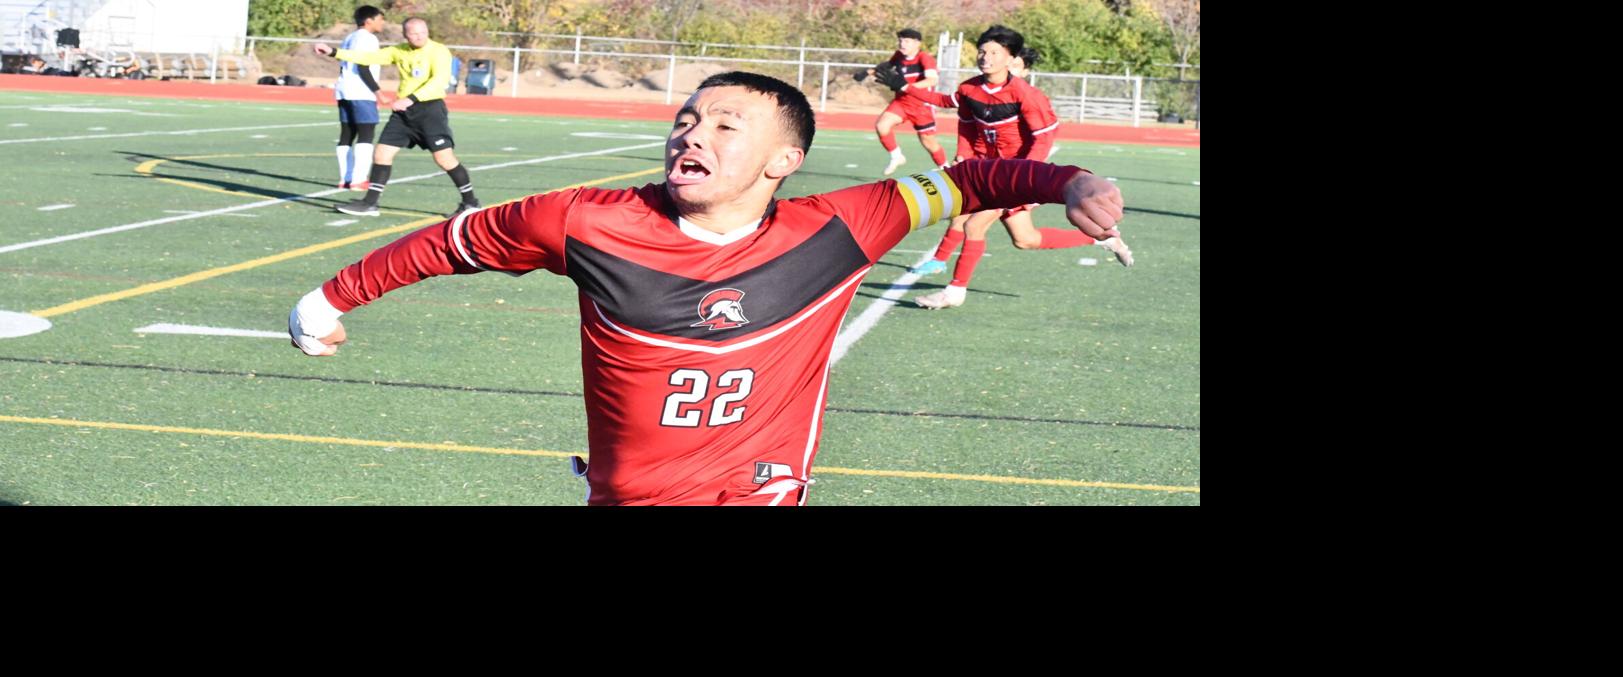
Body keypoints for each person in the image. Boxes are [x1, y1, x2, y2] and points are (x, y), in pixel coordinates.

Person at [287, 72, 1127, 506]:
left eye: (726, 126)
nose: (692, 135)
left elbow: (973, 179)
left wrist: (1071, 181)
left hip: (758, 487)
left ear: (782, 162)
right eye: (687, 120)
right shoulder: (582, 223)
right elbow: (449, 243)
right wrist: (325, 302)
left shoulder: (842, 227)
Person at [880, 27, 1132, 309]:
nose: (985, 58)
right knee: (1025, 239)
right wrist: (961, 152)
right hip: (988, 170)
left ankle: (954, 290)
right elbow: (957, 115)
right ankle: (1099, 240)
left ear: (1010, 58)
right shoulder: (969, 88)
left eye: (994, 53)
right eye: (982, 51)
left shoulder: (1025, 95)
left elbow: (1044, 137)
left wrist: (1025, 177)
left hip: (1014, 176)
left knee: (973, 224)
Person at [313, 17, 481, 218]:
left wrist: (411, 99)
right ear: (405, 35)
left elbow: (438, 82)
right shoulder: (398, 50)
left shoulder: (439, 51)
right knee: (382, 153)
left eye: (423, 32)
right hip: (403, 114)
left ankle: (470, 203)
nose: (420, 36)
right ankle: (370, 203)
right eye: (414, 33)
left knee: (444, 159)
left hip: (430, 111)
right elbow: (367, 58)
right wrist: (333, 52)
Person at [867, 28, 947, 176]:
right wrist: (867, 72)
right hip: (901, 102)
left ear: (917, 43)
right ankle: (897, 156)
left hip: (921, 105)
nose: (902, 44)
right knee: (882, 125)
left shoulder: (925, 58)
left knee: (927, 141)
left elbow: (932, 80)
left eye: (907, 41)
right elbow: (887, 66)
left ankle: (946, 168)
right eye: (901, 40)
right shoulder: (898, 56)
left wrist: (907, 87)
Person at [331, 6, 385, 192]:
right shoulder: (368, 38)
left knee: (347, 134)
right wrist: (377, 91)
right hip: (361, 92)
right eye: (380, 19)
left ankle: (345, 179)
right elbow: (363, 67)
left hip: (344, 89)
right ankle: (359, 179)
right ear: (369, 20)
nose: (382, 23)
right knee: (366, 134)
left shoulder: (350, 37)